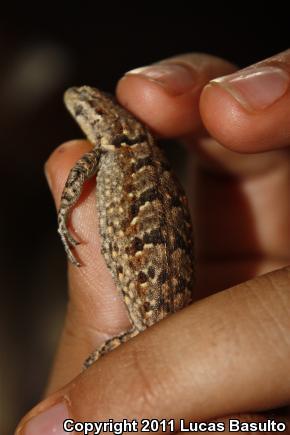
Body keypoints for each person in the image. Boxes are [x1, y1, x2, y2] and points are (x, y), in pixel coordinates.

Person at [15, 51, 290, 434]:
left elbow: (76, 181)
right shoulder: (132, 151)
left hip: (157, 305)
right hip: (165, 298)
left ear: (97, 122)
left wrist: (65, 219)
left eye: (86, 111)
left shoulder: (112, 151)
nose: (81, 112)